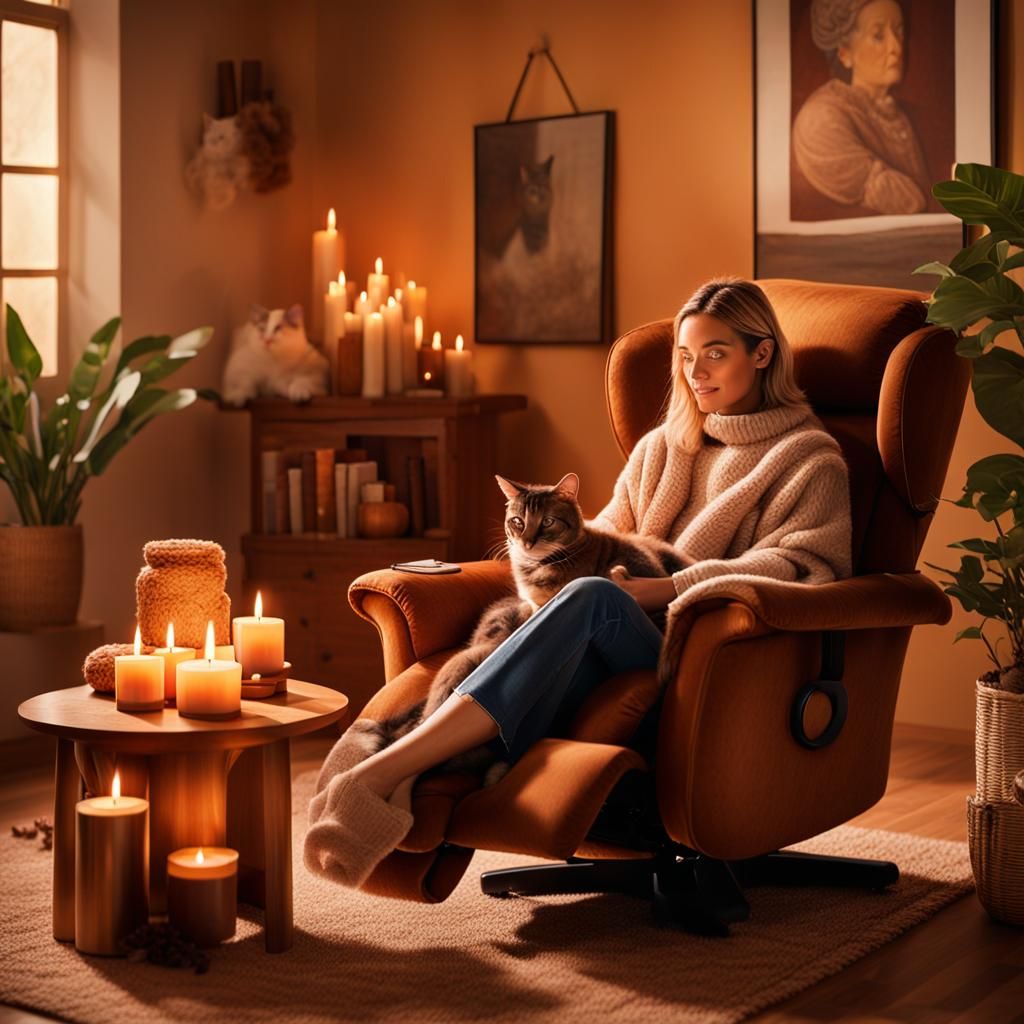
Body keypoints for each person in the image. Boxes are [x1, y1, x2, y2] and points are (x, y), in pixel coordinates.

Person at [304, 278, 853, 888]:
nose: (696, 373)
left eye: (715, 353)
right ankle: (419, 779)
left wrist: (669, 589)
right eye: (685, 356)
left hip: (701, 652)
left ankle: (383, 770)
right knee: (567, 604)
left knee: (591, 595)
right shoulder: (661, 450)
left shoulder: (810, 459)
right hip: (611, 639)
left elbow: (808, 566)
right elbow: (596, 537)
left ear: (762, 353)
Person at [792, 0, 932, 216]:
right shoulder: (821, 118)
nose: (896, 47)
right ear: (845, 54)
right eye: (878, 36)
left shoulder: (907, 115)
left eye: (899, 32)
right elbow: (910, 202)